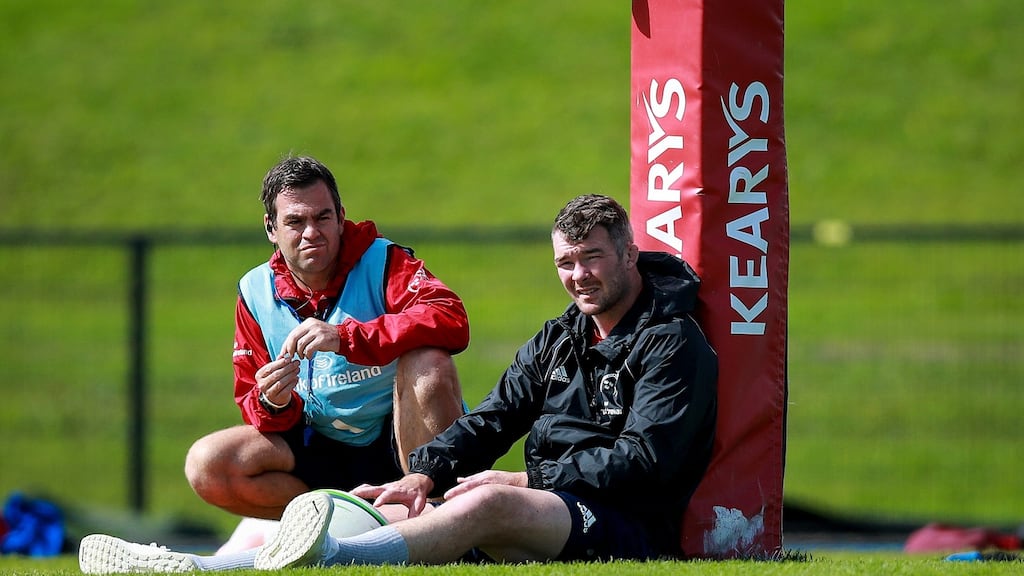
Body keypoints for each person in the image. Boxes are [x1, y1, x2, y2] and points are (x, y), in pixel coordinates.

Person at [78, 194, 717, 573]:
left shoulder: (673, 341)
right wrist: (425, 474)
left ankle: (327, 560)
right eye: (565, 263)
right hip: (548, 504)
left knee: (486, 502)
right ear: (271, 231)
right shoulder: (561, 336)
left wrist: (527, 479)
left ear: (630, 255)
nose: (577, 276)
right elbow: (493, 417)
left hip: (622, 522)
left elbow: (646, 461)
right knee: (399, 504)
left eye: (592, 258)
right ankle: (202, 565)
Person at [187, 155, 470, 520]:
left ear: (340, 218)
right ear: (271, 228)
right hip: (317, 445)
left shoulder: (382, 260)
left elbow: (450, 317)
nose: (311, 232)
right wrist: (273, 402)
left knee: (429, 364)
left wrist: (346, 336)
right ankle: (337, 525)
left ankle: (441, 518)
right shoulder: (255, 291)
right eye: (295, 221)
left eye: (322, 217)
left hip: (400, 439)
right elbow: (252, 401)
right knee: (206, 464)